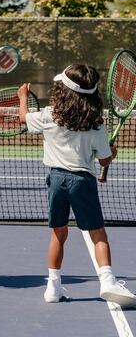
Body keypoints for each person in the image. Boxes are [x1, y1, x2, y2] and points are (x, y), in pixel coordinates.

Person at [17, 64, 136, 307]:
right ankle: (107, 281)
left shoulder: (50, 114)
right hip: (82, 182)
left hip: (56, 181)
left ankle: (53, 287)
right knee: (98, 234)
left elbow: (23, 118)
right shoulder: (96, 123)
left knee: (58, 234)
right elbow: (103, 159)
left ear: (63, 89)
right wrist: (111, 153)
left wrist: (22, 98)